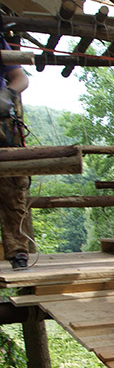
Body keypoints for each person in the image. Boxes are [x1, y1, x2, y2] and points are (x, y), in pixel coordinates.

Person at [0, 35, 31, 271]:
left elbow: (20, 78)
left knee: (12, 190)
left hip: (2, 125)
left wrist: (7, 95)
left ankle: (18, 251)